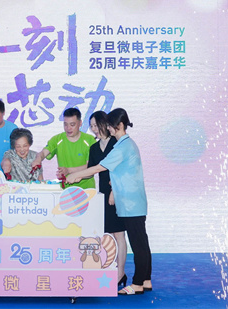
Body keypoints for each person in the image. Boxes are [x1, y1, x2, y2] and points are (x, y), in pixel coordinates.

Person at [66, 108, 152, 295]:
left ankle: (138, 283)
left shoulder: (122, 146)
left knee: (138, 244)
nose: (108, 129)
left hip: (130, 202)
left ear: (119, 125)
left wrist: (75, 176)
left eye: (111, 126)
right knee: (141, 242)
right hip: (132, 201)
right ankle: (146, 280)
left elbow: (99, 167)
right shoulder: (125, 144)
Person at [87, 110, 127, 288]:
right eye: (91, 126)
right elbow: (91, 170)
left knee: (119, 234)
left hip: (117, 193)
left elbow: (121, 170)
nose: (94, 129)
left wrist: (114, 191)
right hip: (103, 194)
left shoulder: (116, 143)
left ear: (105, 123)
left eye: (96, 125)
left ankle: (120, 272)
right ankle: (111, 268)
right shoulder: (94, 148)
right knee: (108, 234)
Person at [30, 107, 96, 189]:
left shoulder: (90, 140)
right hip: (65, 190)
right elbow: (43, 153)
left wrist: (68, 170)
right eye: (65, 124)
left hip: (86, 189)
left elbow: (91, 167)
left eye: (72, 125)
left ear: (80, 123)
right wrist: (38, 159)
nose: (68, 128)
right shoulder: (57, 139)